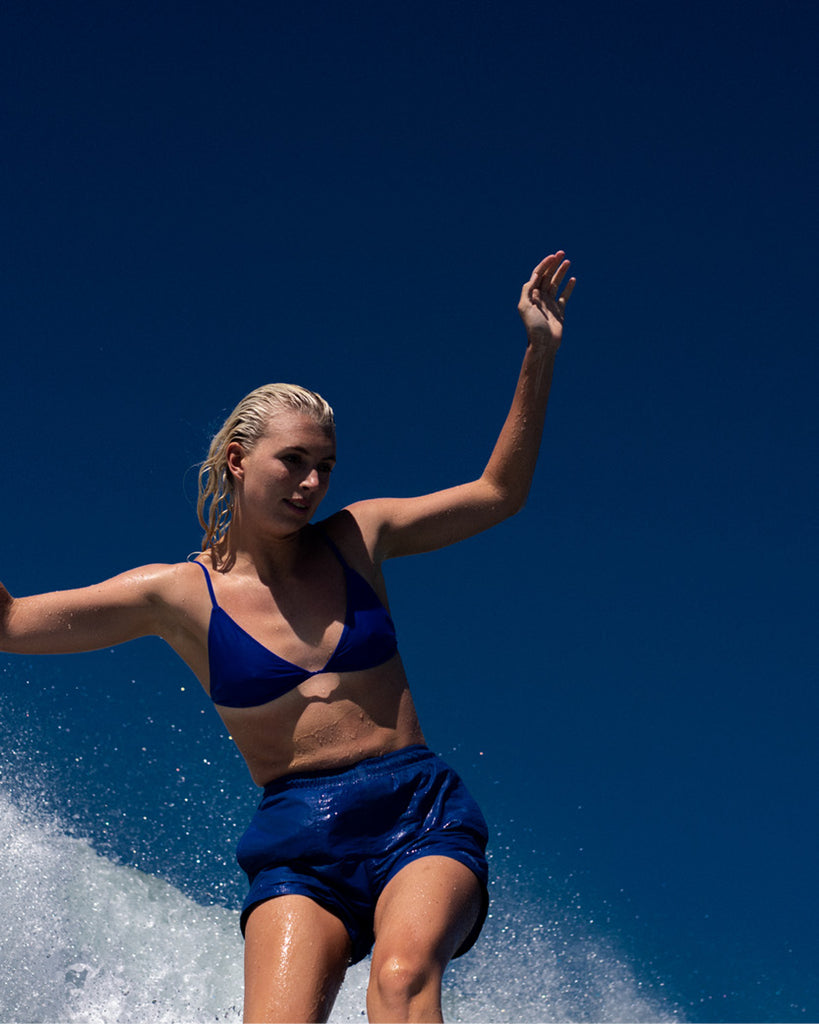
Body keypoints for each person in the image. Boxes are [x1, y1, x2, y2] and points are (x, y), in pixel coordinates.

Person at [0, 251, 575, 1023]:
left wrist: (538, 353)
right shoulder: (174, 595)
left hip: (417, 810)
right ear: (238, 461)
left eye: (325, 467)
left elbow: (497, 493)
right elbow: (8, 625)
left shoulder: (358, 538)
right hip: (298, 842)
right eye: (293, 462)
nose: (311, 484)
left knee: (401, 981)